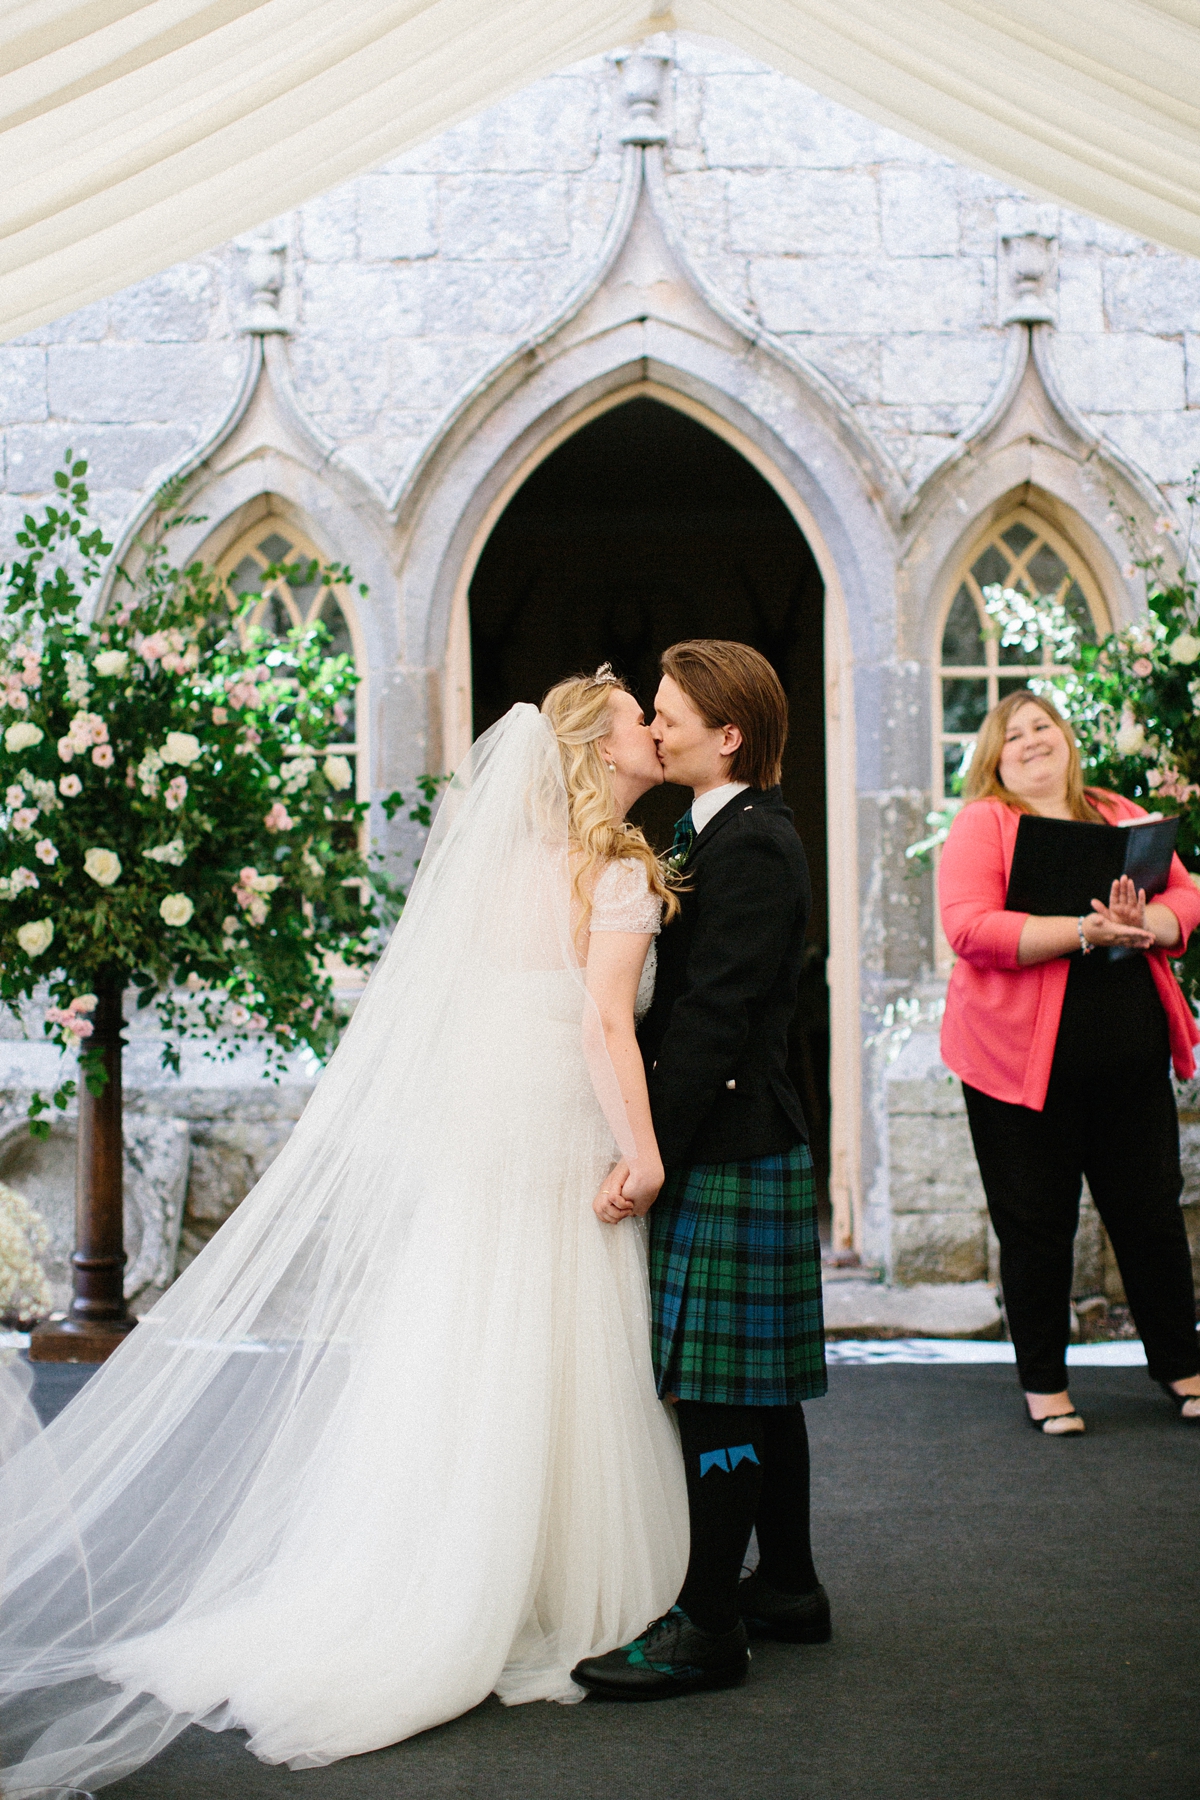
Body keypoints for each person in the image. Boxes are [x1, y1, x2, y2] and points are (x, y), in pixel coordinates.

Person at [0, 674, 690, 1790]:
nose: (652, 730)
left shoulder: (503, 868)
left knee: (468, 1327)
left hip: (488, 1121)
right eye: (635, 722)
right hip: (560, 1121)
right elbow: (605, 1019)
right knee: (551, 1331)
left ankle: (429, 1562)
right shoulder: (609, 871)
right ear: (599, 754)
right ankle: (542, 1589)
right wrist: (645, 1154)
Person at [573, 640, 828, 1703]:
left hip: (726, 1142)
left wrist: (650, 1156)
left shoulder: (754, 844)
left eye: (672, 714)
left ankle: (711, 1620)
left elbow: (713, 1023)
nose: (658, 726)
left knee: (719, 1388)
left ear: (729, 734)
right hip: (742, 1141)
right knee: (758, 1386)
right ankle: (791, 1588)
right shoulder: (706, 832)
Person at [939, 689, 1200, 1435]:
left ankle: (1182, 1367)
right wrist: (1085, 931)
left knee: (1150, 1214)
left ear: (1065, 737)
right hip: (1017, 1068)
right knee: (1036, 1224)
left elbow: (1186, 893)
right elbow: (968, 928)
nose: (1029, 740)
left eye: (1041, 725)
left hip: (1129, 1058)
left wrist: (1143, 923)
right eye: (1012, 735)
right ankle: (1046, 1383)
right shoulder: (986, 822)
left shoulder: (1116, 812)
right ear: (994, 759)